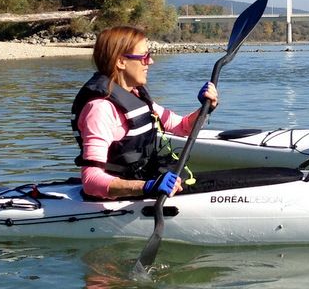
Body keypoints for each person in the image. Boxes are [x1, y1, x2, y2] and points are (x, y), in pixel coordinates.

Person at [71, 26, 218, 200]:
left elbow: (183, 126)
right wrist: (147, 187)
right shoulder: (100, 109)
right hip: (119, 198)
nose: (151, 62)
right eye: (144, 57)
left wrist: (206, 108)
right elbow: (90, 180)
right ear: (121, 61)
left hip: (145, 183)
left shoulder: (136, 95)